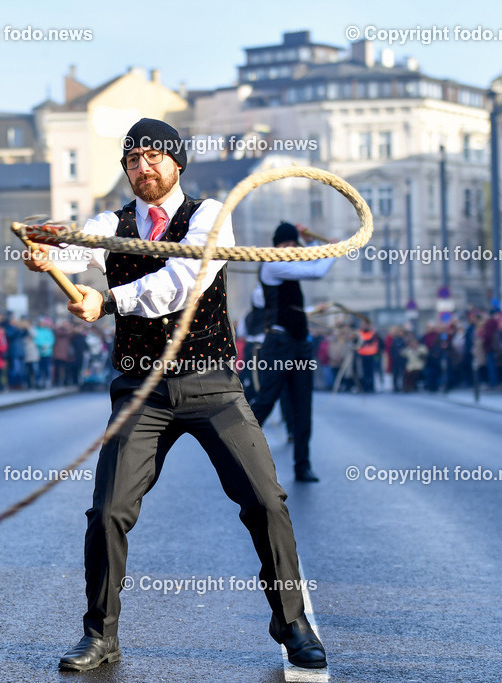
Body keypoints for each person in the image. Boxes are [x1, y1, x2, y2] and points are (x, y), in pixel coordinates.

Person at [24, 118, 327, 672]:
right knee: (108, 512)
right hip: (141, 391)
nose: (143, 167)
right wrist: (48, 253)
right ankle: (100, 635)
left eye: (154, 156)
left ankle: (292, 622)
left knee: (266, 502)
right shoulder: (110, 223)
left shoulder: (210, 217)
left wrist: (107, 301)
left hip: (212, 383)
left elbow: (182, 282)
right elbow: (78, 253)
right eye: (132, 159)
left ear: (177, 162)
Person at [245, 222, 335, 482]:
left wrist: (313, 243)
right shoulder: (273, 264)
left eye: (293, 244)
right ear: (276, 246)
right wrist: (334, 249)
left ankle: (302, 465)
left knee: (302, 405)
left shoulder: (290, 261)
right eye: (286, 244)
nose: (291, 248)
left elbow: (307, 264)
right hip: (279, 344)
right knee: (266, 400)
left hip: (299, 344)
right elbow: (315, 272)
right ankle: (238, 452)